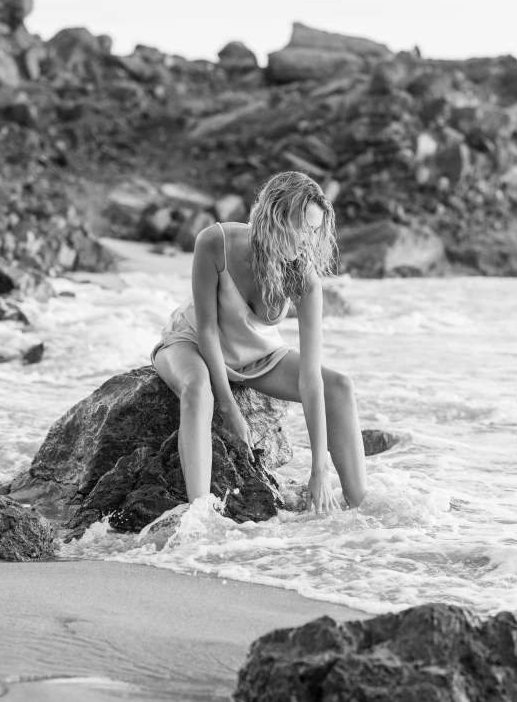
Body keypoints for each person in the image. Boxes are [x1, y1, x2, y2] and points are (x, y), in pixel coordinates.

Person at [151, 171, 366, 514]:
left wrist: (318, 470)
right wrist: (229, 408)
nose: (308, 240)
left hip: (256, 354)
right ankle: (199, 518)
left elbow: (311, 380)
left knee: (339, 386)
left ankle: (357, 506)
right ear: (276, 217)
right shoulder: (216, 242)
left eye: (315, 230)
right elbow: (206, 328)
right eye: (303, 228)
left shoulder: (305, 280)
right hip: (191, 342)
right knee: (197, 389)